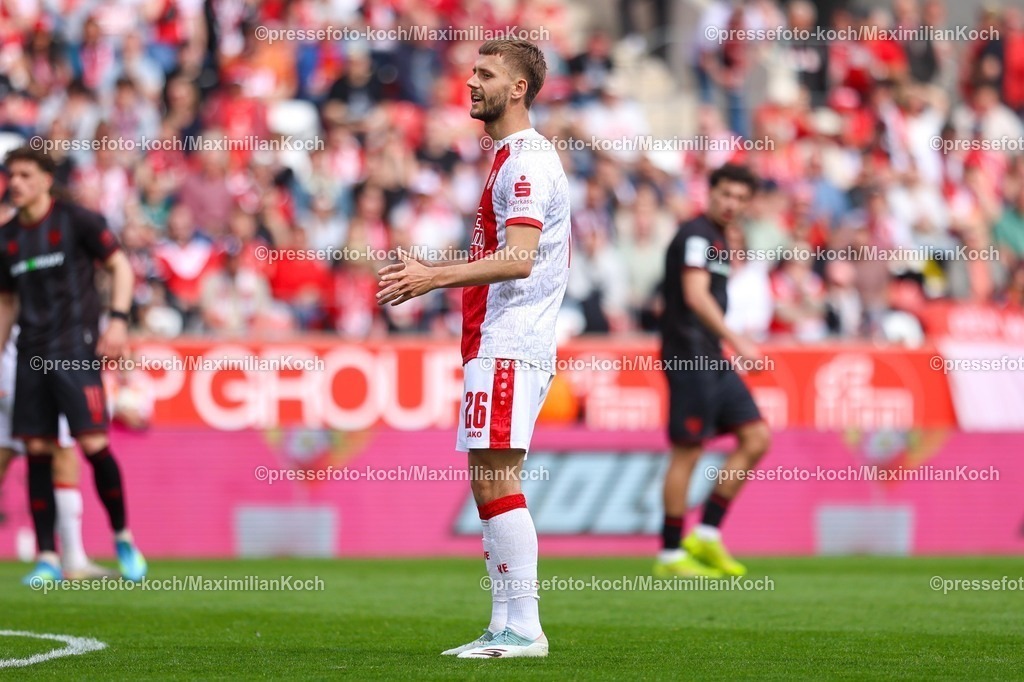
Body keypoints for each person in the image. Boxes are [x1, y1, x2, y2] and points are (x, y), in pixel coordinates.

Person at [377, 39, 569, 659]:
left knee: (497, 477)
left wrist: (432, 276)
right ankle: (503, 625)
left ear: (518, 88)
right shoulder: (510, 157)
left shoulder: (526, 163)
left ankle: (524, 627)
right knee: (488, 479)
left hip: (511, 341)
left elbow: (517, 259)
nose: (471, 82)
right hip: (496, 343)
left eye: (485, 74)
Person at [0, 146, 147, 584]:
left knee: (93, 444)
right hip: (30, 354)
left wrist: (118, 321)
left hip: (76, 351)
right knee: (38, 452)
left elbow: (120, 267)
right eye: (12, 176)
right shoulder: (8, 238)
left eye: (26, 174)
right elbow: (7, 302)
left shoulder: (76, 220)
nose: (17, 183)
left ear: (47, 178)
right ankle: (48, 557)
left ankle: (122, 537)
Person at [655, 163, 771, 579]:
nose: (732, 204)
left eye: (741, 198)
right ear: (711, 192)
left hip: (711, 357)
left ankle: (705, 534)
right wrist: (738, 341)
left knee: (756, 437)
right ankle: (670, 555)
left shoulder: (719, 239)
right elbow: (695, 295)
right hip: (689, 358)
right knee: (688, 450)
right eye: (726, 195)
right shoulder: (696, 236)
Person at [0, 326, 114, 580]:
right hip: (33, 363)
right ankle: (73, 560)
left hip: (12, 364)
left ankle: (68, 559)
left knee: (4, 453)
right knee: (62, 454)